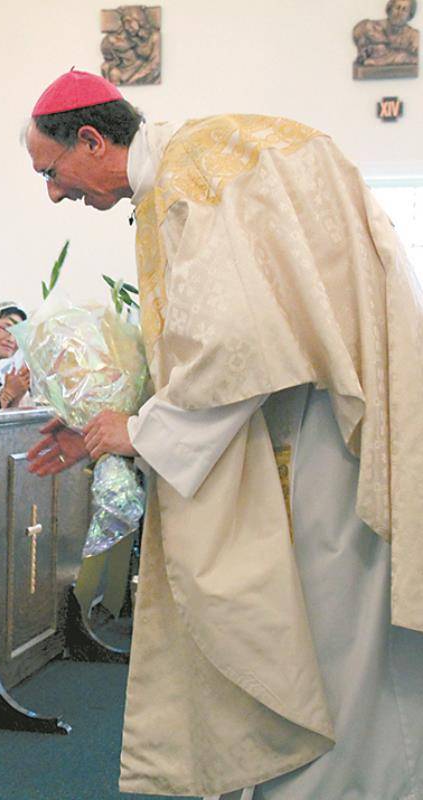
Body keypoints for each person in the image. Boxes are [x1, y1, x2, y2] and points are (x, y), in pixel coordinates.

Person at [24, 70, 423, 800]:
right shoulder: (200, 158)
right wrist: (109, 425)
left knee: (329, 644)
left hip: (315, 444)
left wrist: (138, 430)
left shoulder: (191, 174)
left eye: (50, 171)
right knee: (348, 648)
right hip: (316, 415)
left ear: (89, 138)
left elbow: (234, 344)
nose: (53, 193)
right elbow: (227, 339)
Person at [0, 301, 30, 409]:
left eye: (18, 334)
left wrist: (17, 395)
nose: (11, 339)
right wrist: (7, 393)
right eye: (6, 328)